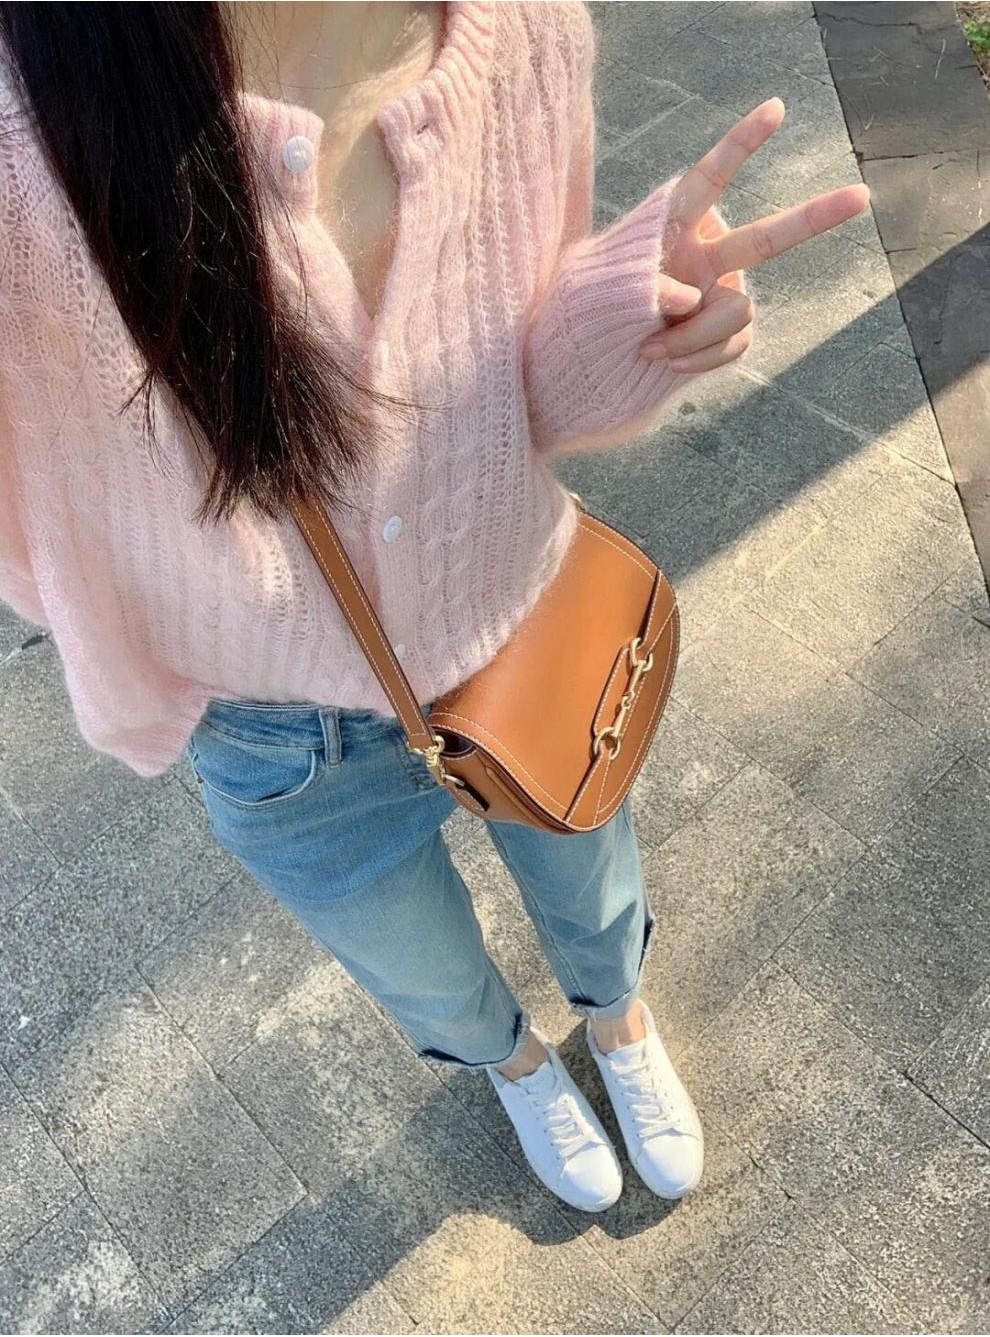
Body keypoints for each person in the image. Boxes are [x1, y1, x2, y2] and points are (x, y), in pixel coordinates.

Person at [0, 1, 869, 1213]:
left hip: (514, 623)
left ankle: (617, 1018)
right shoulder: (25, 159)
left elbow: (509, 390)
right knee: (419, 968)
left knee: (595, 882)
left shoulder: (521, 30)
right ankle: (515, 1065)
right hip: (274, 733)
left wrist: (629, 316)